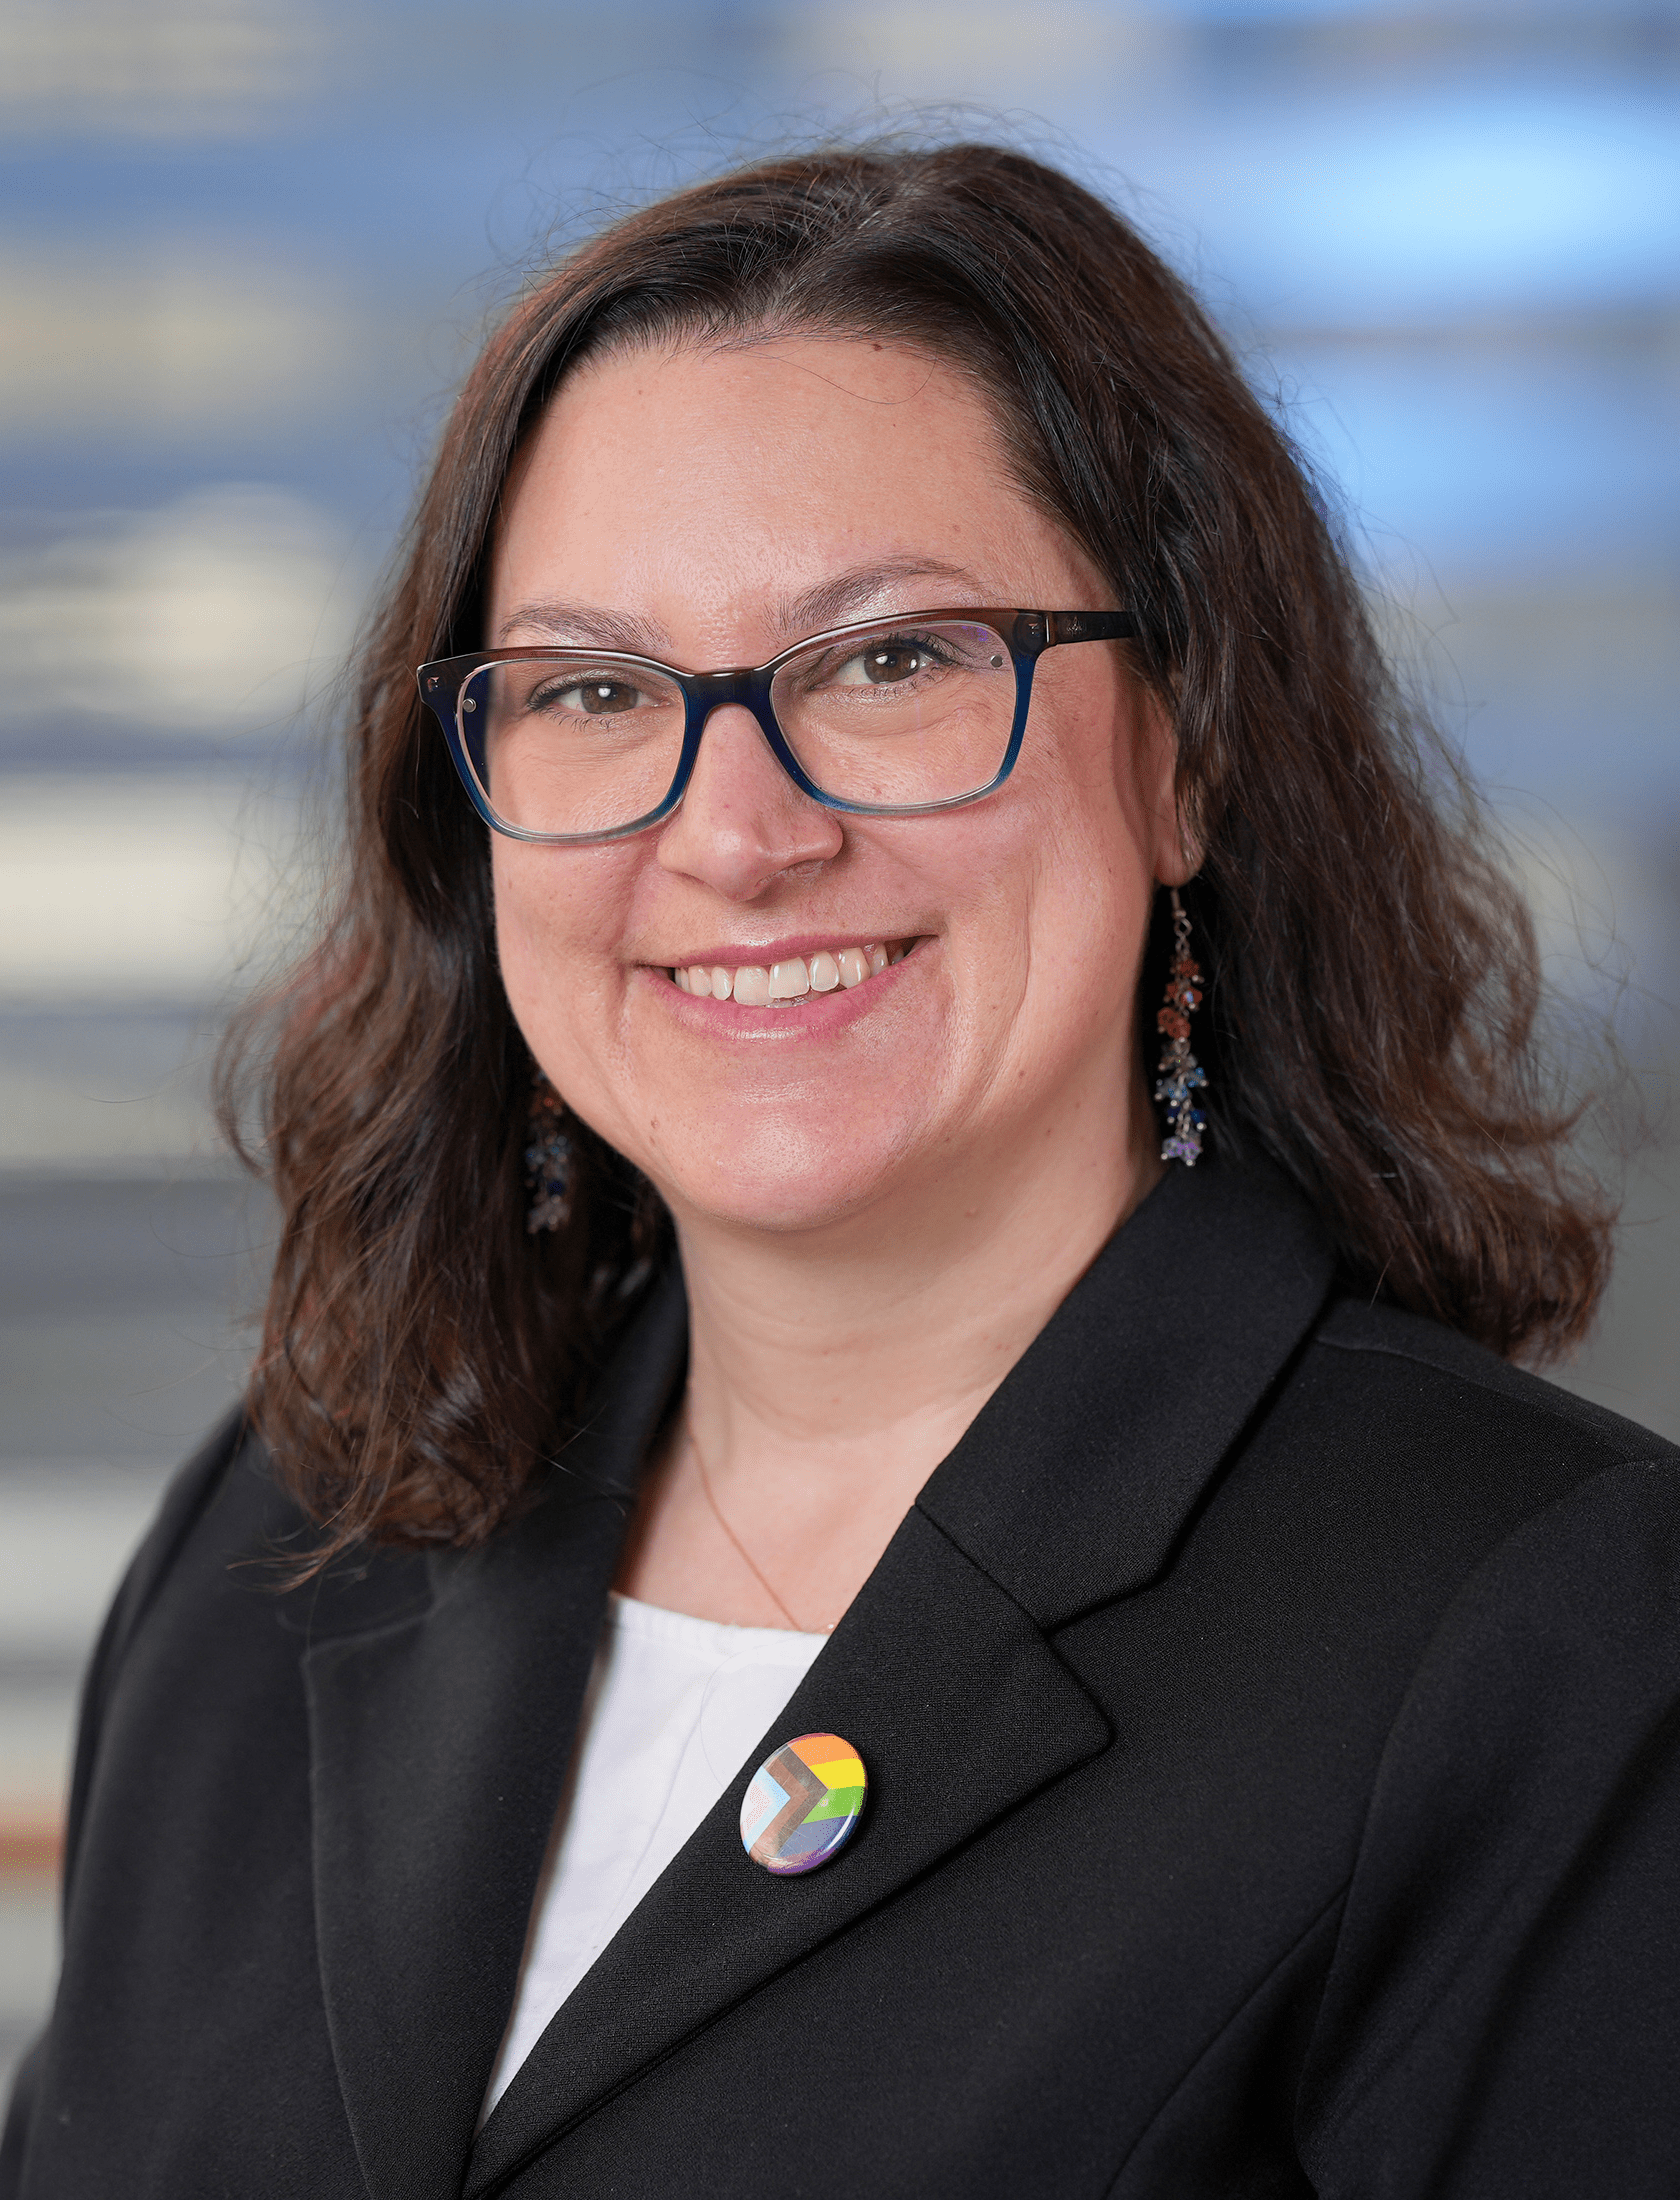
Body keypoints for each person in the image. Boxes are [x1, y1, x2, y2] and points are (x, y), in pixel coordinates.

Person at [4, 141, 1676, 2200]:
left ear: (1192, 751)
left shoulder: (1551, 1637)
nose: (736, 829)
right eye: (599, 690)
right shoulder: (290, 1528)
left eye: (889, 660)